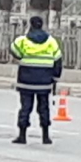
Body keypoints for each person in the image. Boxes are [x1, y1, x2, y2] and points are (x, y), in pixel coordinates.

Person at [9, 16, 63, 145]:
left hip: (26, 81)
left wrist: (21, 56)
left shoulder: (23, 40)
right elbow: (58, 61)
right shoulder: (51, 42)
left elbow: (13, 50)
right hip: (44, 82)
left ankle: (22, 136)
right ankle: (45, 136)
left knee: (25, 108)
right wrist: (55, 78)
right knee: (44, 108)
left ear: (30, 25)